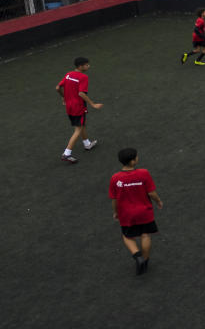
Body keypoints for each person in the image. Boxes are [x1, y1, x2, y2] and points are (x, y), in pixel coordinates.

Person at [108, 147, 163, 276]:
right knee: (145, 235)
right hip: (145, 212)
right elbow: (151, 193)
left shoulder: (115, 178)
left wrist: (115, 212)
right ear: (133, 162)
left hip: (127, 214)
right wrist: (158, 201)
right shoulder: (144, 173)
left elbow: (114, 199)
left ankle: (137, 256)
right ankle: (145, 260)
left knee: (127, 236)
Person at [56, 56, 102, 164]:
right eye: (87, 65)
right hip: (78, 106)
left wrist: (63, 97)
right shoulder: (83, 77)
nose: (88, 66)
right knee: (78, 129)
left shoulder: (68, 74)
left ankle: (87, 143)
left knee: (81, 125)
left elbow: (58, 88)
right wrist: (93, 104)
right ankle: (67, 154)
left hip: (69, 106)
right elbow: (81, 93)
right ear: (81, 66)